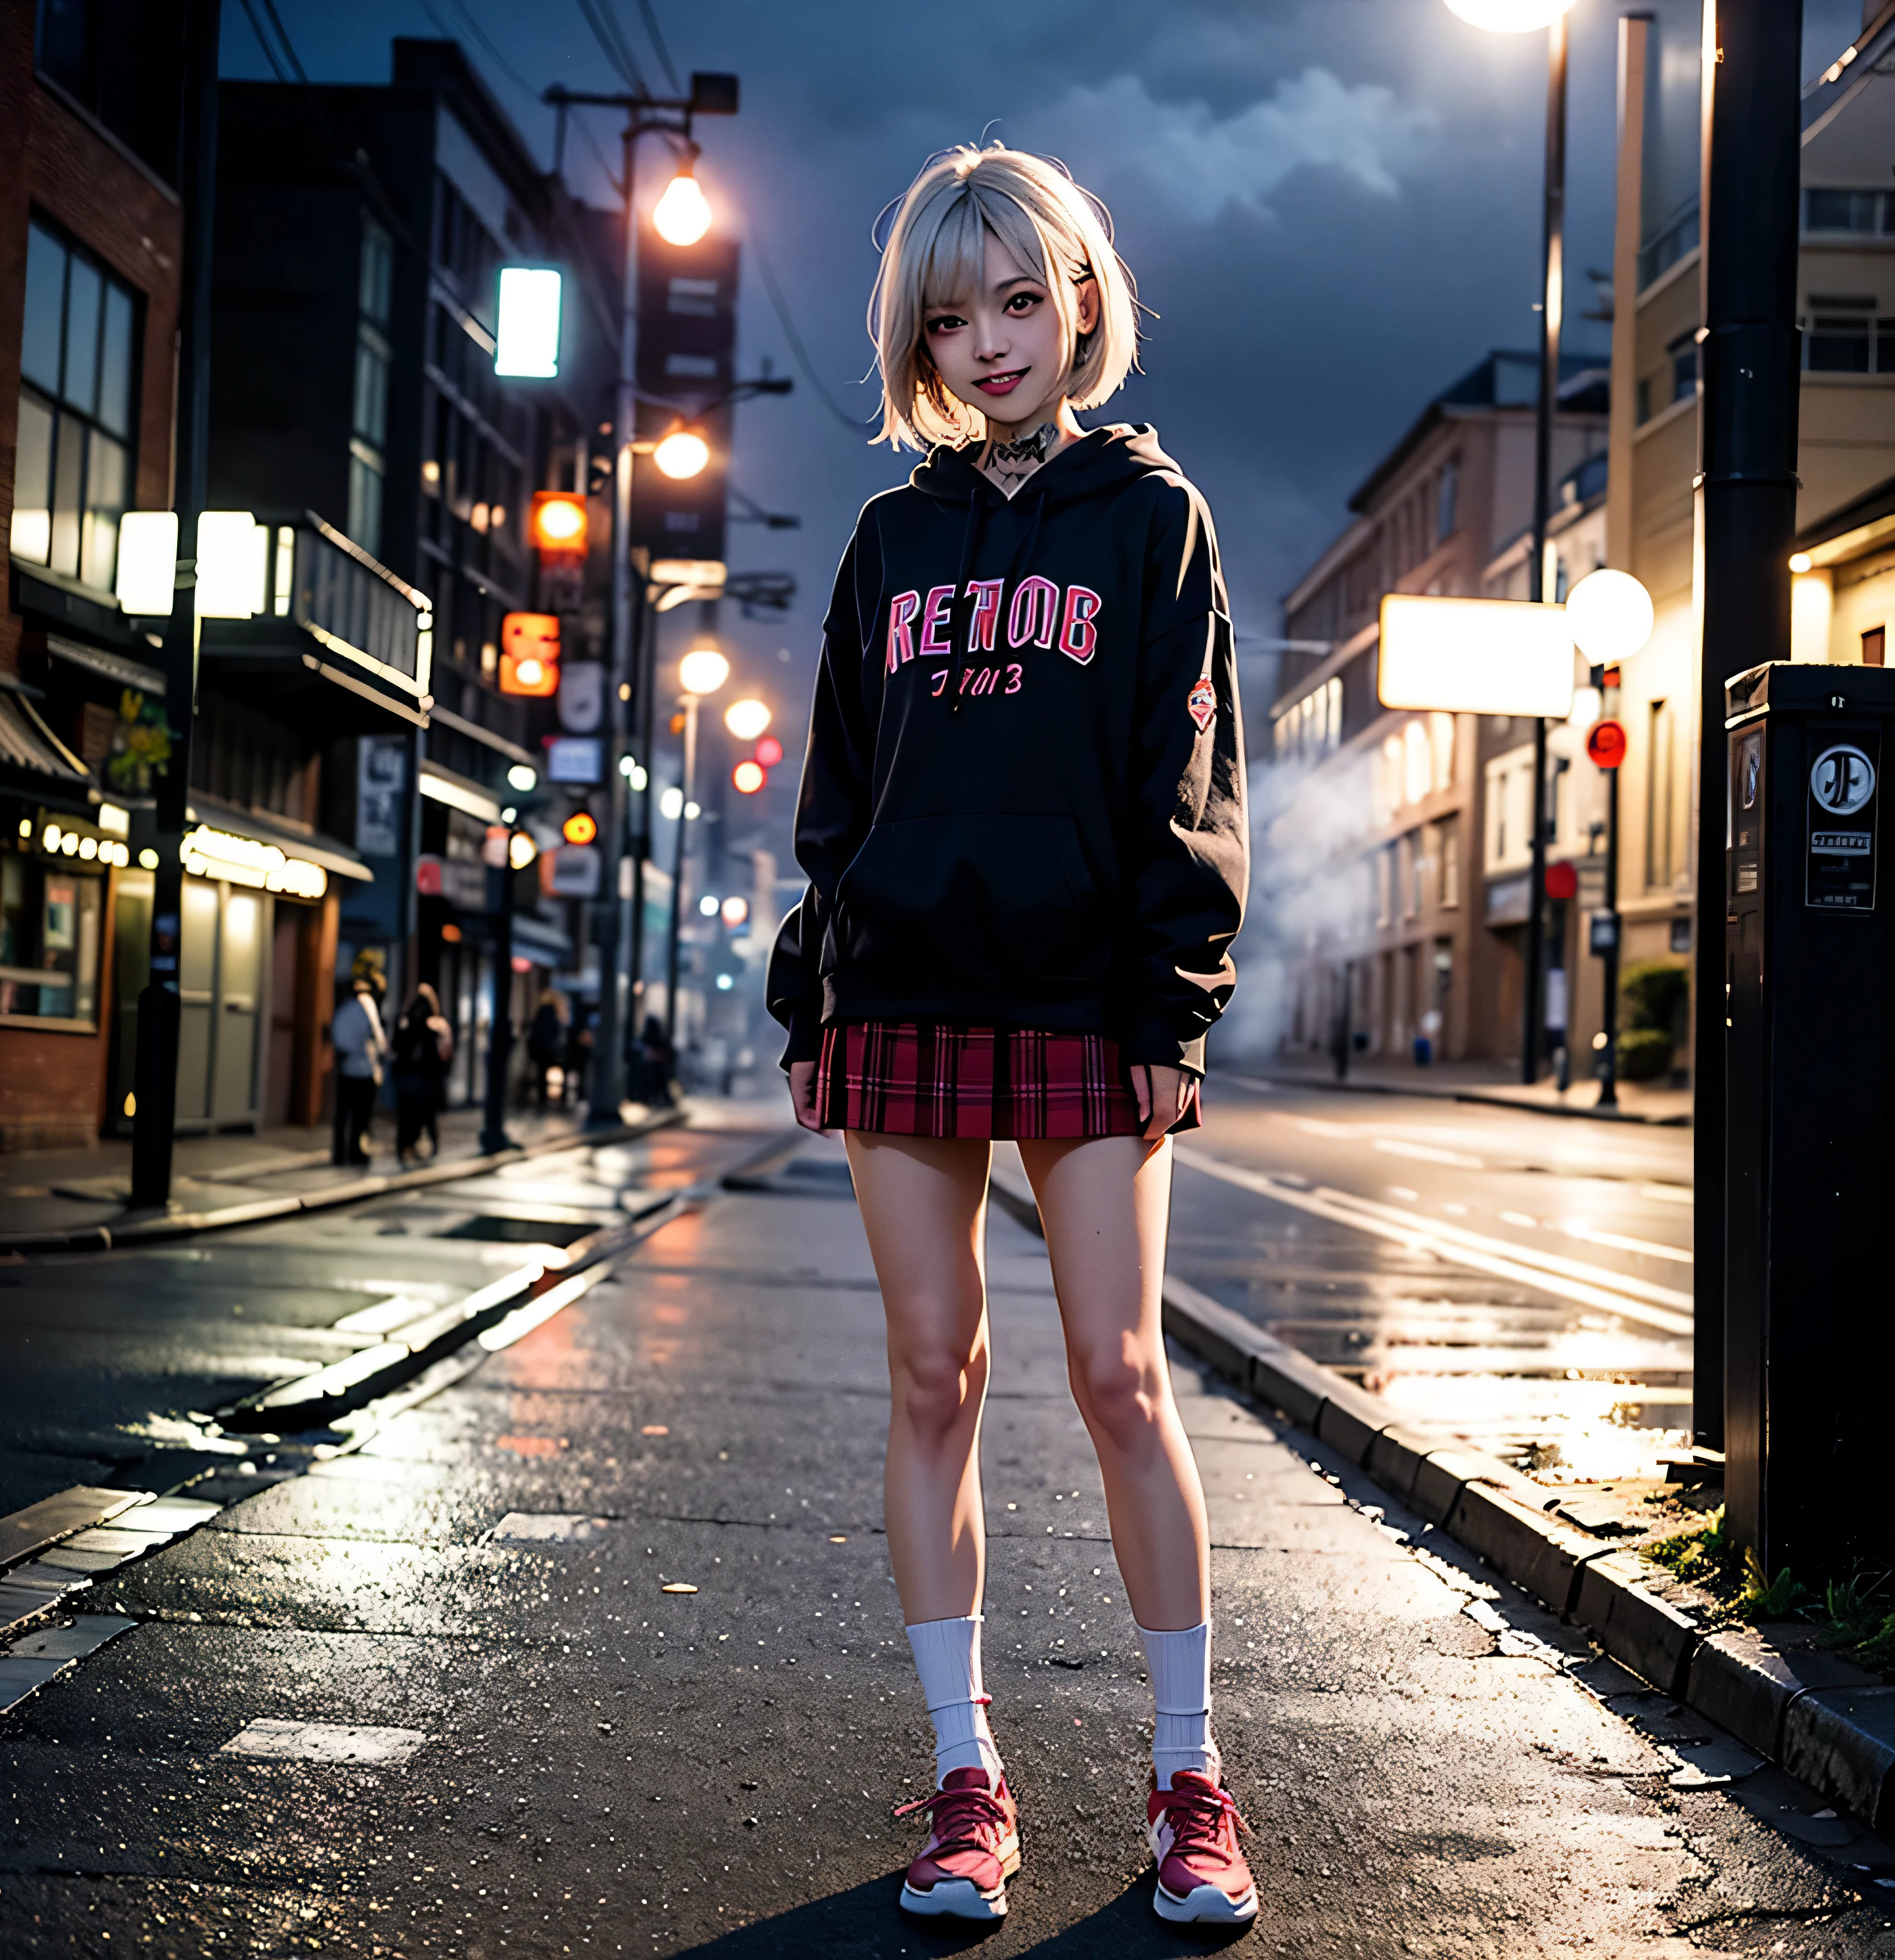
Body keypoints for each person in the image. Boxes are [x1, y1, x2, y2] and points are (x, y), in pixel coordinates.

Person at [767, 145, 1253, 1927]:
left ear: (1080, 303)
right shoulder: (889, 539)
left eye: (1018, 301)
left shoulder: (1152, 521)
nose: (986, 343)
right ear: (918, 334)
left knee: (1120, 1376)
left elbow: (1186, 780)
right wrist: (810, 986)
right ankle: (966, 1779)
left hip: (1083, 1001)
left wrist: (1169, 998)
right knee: (929, 1373)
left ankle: (1188, 1779)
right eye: (949, 314)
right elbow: (836, 793)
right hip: (898, 991)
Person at [330, 968, 387, 1166]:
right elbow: (377, 1035)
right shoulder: (367, 1006)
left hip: (347, 1067)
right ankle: (355, 1151)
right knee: (361, 1115)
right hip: (363, 1068)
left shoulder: (345, 1008)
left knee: (344, 1113)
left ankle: (339, 1153)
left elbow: (337, 1035)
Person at [391, 983, 453, 1166]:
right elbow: (446, 1052)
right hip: (426, 1077)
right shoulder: (437, 1024)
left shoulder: (405, 1020)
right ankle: (427, 1145)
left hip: (406, 1075)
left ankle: (404, 1148)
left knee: (406, 1115)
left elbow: (395, 1047)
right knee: (426, 1114)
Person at [527, 988, 568, 1109]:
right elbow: (556, 1032)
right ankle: (560, 1099)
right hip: (551, 1049)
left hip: (542, 1049)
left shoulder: (542, 1011)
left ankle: (543, 1100)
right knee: (560, 1073)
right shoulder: (554, 1012)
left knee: (542, 1075)